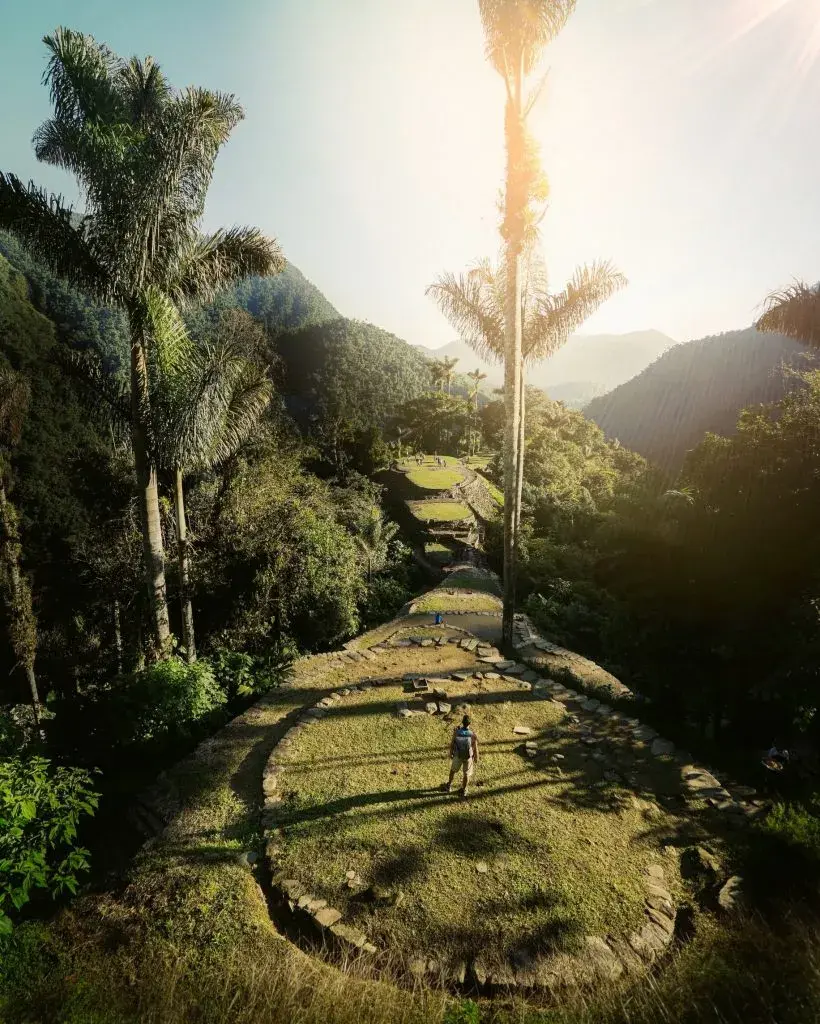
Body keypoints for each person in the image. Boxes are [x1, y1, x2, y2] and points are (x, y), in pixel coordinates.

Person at [447, 715, 479, 797]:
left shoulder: (457, 732)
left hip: (457, 755)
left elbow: (452, 743)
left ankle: (449, 785)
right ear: (469, 723)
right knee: (466, 774)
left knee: (453, 770)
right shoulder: (472, 734)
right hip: (468, 757)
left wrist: (451, 753)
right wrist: (476, 757)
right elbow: (475, 747)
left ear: (462, 722)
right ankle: (464, 790)